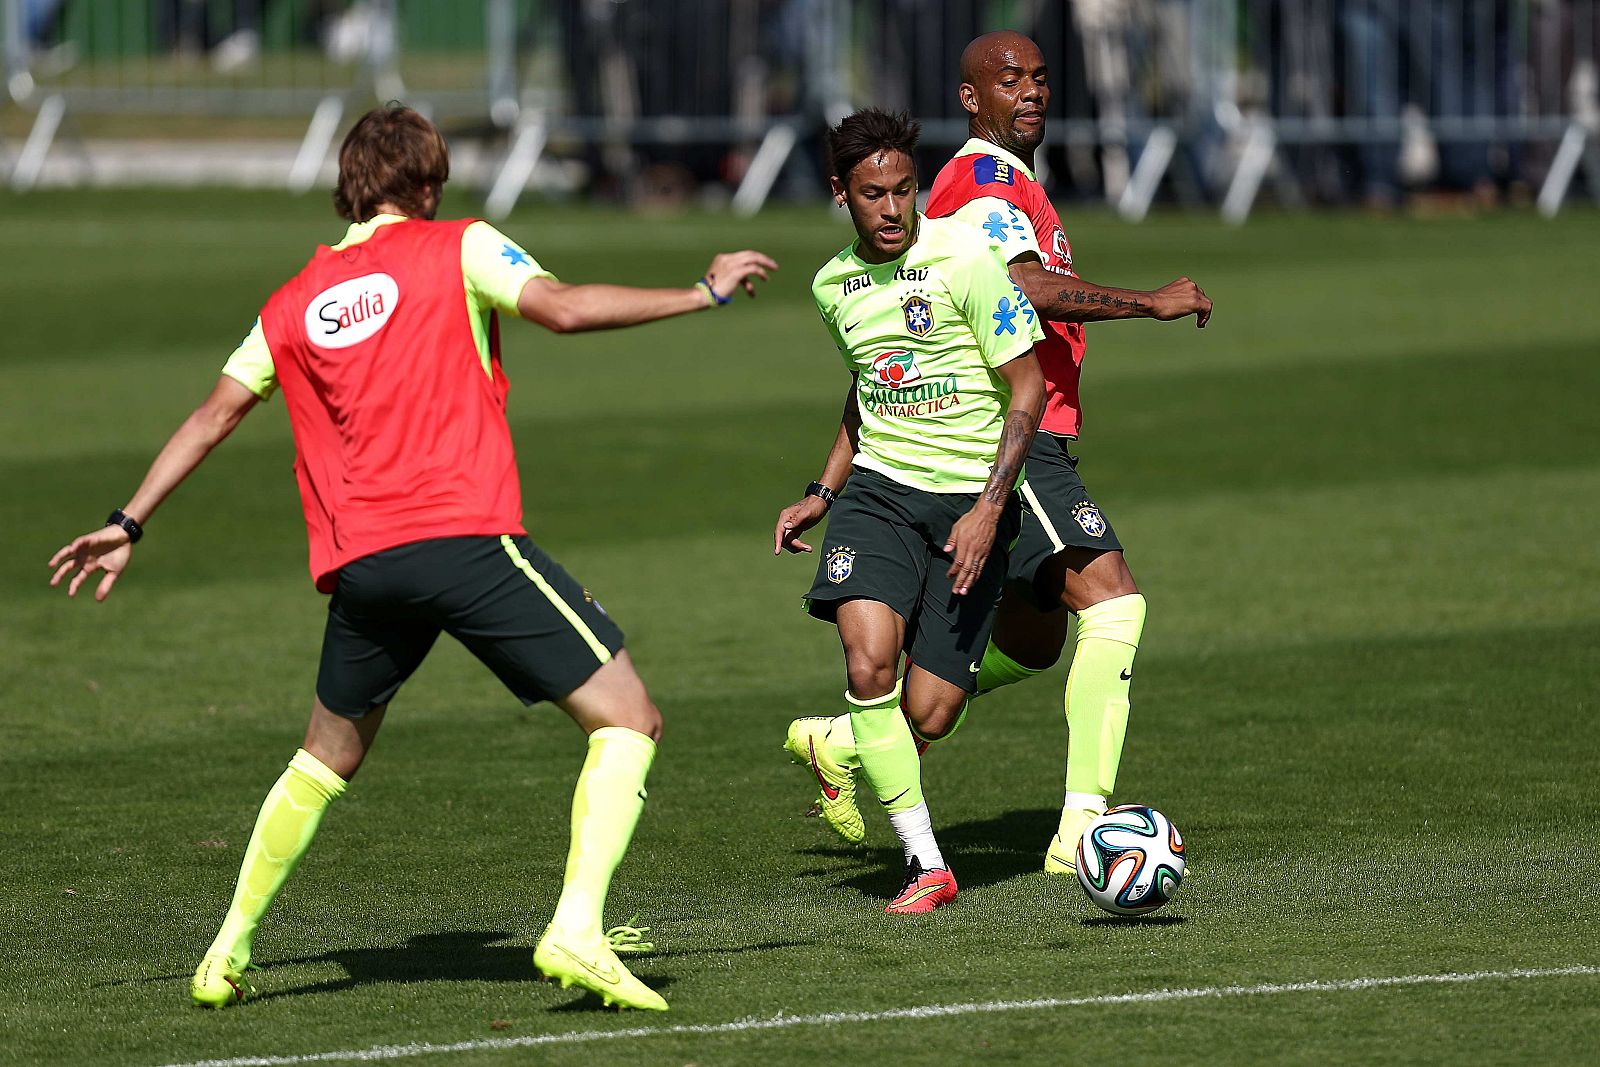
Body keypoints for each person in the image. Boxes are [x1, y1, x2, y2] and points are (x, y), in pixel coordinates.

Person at [47, 104, 775, 1012]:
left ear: (350, 185)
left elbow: (213, 414)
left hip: (364, 566)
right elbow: (562, 309)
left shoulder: (291, 302)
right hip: (463, 538)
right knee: (629, 721)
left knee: (323, 758)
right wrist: (698, 294)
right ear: (427, 187)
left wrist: (129, 520)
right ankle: (578, 928)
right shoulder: (457, 244)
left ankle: (224, 951)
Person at [784, 30, 1211, 875]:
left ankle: (846, 736)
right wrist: (1149, 302)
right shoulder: (982, 187)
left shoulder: (999, 183)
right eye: (1009, 80)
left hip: (1026, 432)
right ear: (971, 98)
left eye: (1041, 79)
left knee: (1037, 640)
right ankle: (1081, 832)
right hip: (1018, 434)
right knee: (1116, 605)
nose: (1032, 93)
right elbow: (1023, 286)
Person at [773, 107, 1044, 913]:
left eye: (904, 191)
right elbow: (869, 384)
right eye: (872, 195)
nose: (892, 211)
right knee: (868, 668)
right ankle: (927, 865)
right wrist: (824, 491)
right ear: (839, 194)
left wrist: (990, 509)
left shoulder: (965, 257)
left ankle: (836, 746)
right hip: (881, 496)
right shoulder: (833, 286)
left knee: (931, 707)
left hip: (971, 500)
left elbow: (1026, 385)